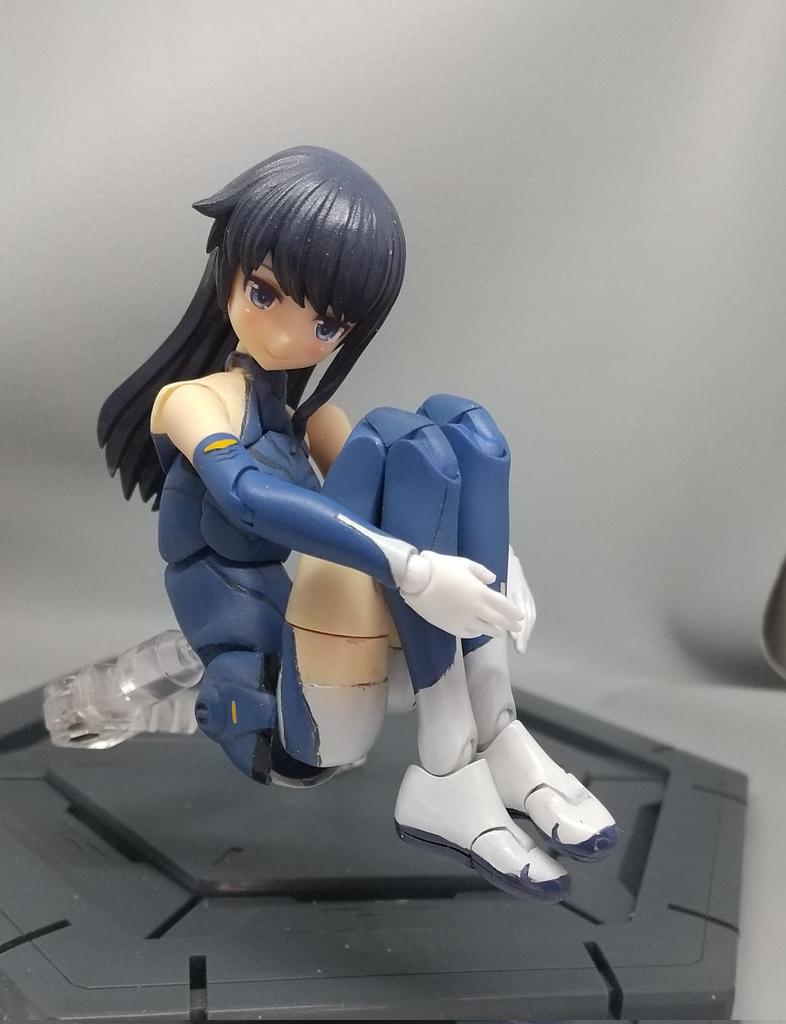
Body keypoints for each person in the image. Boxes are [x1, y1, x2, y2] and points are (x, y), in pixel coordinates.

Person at [99, 146, 616, 901]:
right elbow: (246, 497)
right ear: (228, 273)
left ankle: (497, 729)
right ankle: (446, 764)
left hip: (338, 670)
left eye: (326, 323)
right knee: (394, 438)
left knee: (461, 428)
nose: (290, 332)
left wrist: (493, 563)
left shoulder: (311, 424)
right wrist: (414, 570)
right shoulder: (192, 403)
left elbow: (422, 494)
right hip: (284, 718)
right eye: (266, 292)